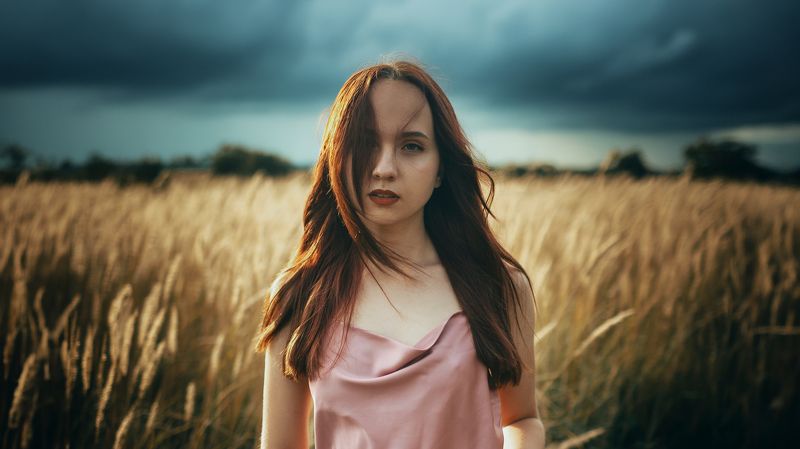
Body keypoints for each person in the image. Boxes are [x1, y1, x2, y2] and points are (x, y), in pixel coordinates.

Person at [255, 57, 545, 449]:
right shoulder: (299, 294)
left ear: (441, 168)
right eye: (365, 143)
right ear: (336, 158)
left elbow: (523, 419)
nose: (384, 168)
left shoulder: (499, 285)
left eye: (411, 146)